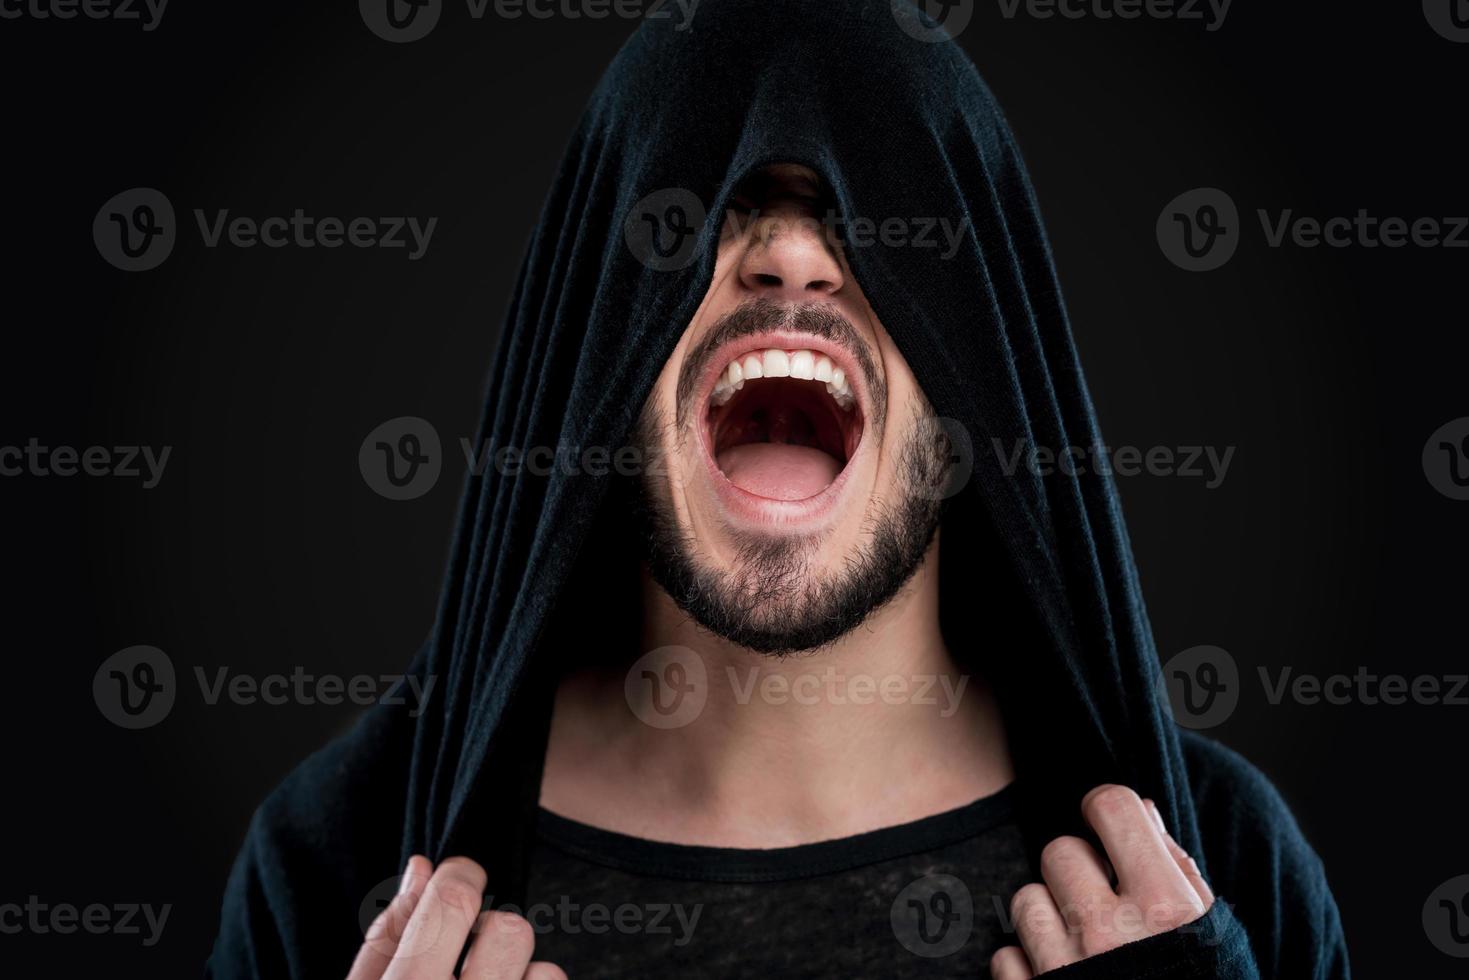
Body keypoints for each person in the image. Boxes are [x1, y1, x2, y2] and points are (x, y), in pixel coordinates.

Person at [210, 2, 1348, 977]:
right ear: (605, 336)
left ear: (972, 353)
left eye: (864, 206)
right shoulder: (332, 864)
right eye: (709, 207)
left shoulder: (1214, 867)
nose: (789, 257)